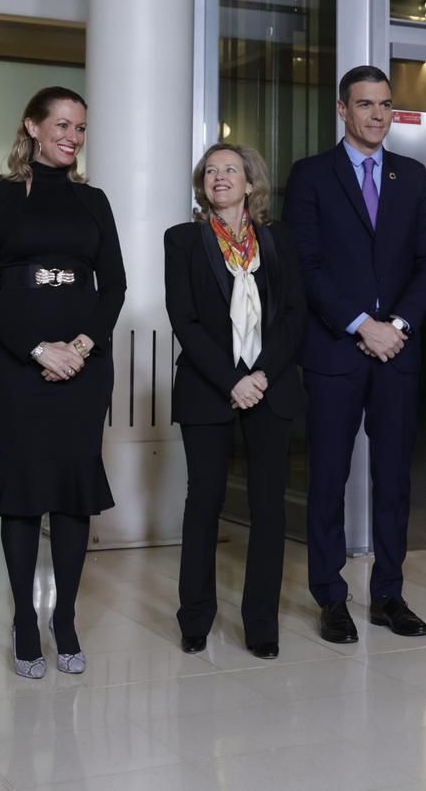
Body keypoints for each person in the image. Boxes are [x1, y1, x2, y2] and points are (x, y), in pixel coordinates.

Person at [0, 86, 124, 679]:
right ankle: (25, 622)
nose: (72, 136)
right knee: (26, 487)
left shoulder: (95, 202)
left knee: (74, 487)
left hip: (85, 363)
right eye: (61, 124)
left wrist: (80, 347)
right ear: (32, 126)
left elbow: (114, 286)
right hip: (14, 363)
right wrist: (37, 349)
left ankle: (66, 619)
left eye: (80, 128)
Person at [285, 65, 426, 644]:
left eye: (384, 105)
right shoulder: (311, 176)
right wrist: (361, 324)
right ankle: (330, 596)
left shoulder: (411, 176)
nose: (377, 115)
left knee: (394, 479)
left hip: (398, 351)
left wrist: (396, 324)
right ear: (342, 110)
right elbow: (307, 266)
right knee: (328, 476)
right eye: (365, 104)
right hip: (336, 348)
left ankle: (388, 594)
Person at [164, 144, 306, 659]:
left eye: (231, 170)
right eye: (211, 171)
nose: (219, 177)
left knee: (269, 508)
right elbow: (185, 320)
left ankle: (261, 624)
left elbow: (294, 314)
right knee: (205, 501)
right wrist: (232, 380)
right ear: (202, 184)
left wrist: (263, 373)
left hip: (272, 384)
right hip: (209, 386)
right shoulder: (182, 240)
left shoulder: (279, 238)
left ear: (251, 184)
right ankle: (196, 618)